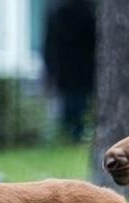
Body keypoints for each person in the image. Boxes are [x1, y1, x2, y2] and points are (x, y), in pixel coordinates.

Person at [43, 0, 96, 141]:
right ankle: (74, 132)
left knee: (72, 104)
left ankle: (72, 132)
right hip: (80, 70)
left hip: (66, 70)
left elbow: (49, 46)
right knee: (77, 103)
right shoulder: (85, 12)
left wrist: (50, 69)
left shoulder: (58, 13)